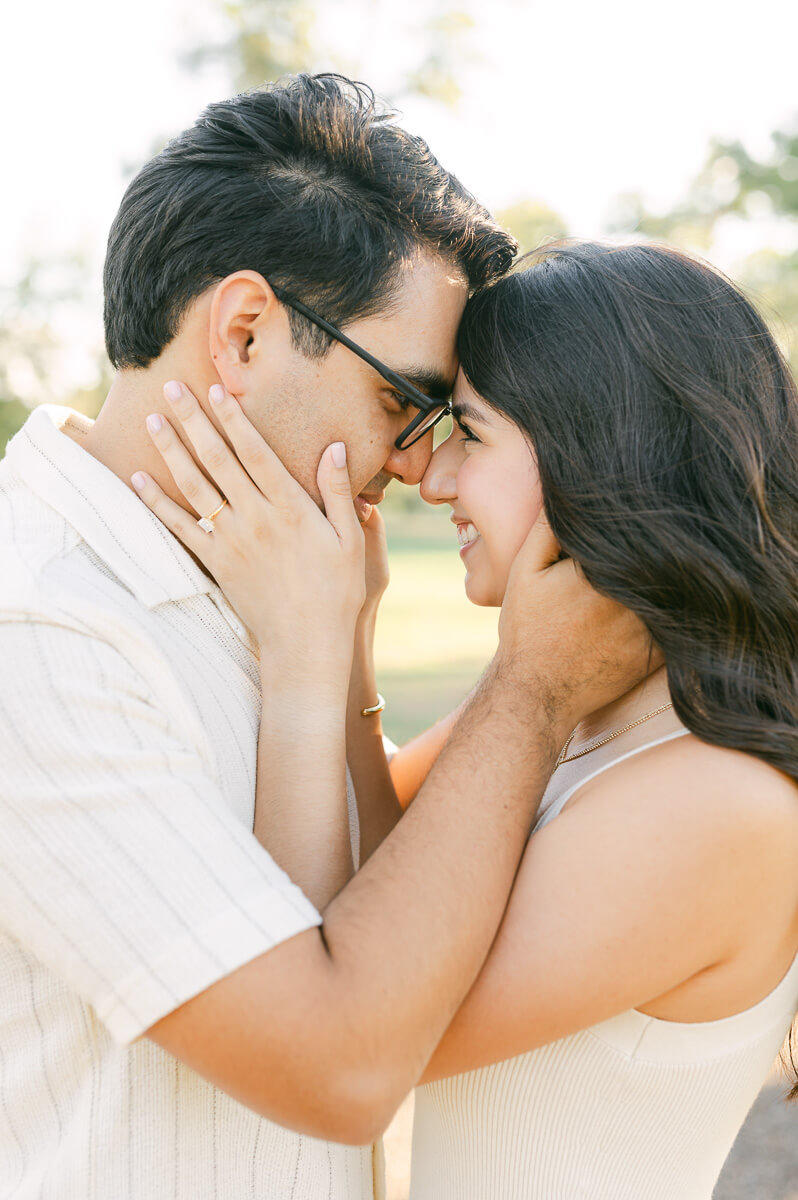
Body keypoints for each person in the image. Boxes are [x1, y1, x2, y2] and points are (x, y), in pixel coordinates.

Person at [0, 78, 650, 1198]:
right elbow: (339, 1070)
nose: (414, 462)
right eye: (407, 401)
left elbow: (361, 928)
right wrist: (533, 685)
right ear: (245, 332)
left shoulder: (264, 580)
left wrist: (333, 649)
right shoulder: (44, 631)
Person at [144, 241, 798, 1199]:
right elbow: (374, 873)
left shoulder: (713, 803)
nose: (433, 476)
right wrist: (354, 628)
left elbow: (334, 1020)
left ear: (601, 454)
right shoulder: (578, 709)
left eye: (473, 435)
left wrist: (306, 653)